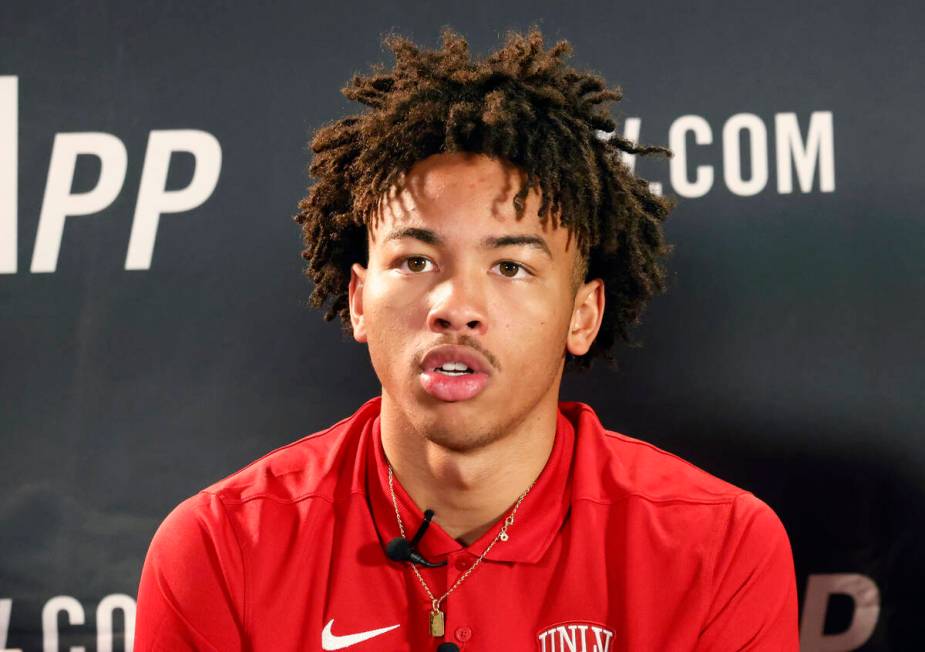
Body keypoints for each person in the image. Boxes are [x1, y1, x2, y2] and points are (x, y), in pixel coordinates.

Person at [134, 27, 798, 651]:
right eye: (416, 261)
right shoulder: (220, 548)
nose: (457, 306)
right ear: (360, 298)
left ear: (582, 315)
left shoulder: (718, 547)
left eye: (510, 267)